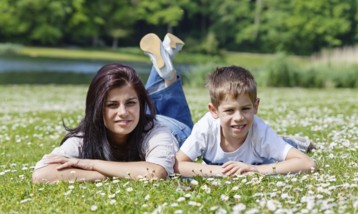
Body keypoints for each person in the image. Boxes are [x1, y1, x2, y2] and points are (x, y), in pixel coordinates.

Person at [32, 33, 193, 183]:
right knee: (135, 92)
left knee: (167, 112)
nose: (122, 112)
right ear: (97, 109)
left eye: (130, 103)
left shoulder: (158, 132)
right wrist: (106, 174)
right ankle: (167, 57)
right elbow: (41, 174)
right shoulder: (85, 138)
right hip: (138, 118)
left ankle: (168, 73)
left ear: (141, 104)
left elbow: (156, 173)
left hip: (173, 126)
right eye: (112, 105)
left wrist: (91, 164)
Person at [175, 65, 317, 177]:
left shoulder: (260, 132)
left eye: (245, 109)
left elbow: (308, 163)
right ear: (214, 111)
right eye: (229, 110)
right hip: (253, 150)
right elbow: (177, 165)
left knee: (282, 147)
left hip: (264, 150)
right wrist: (220, 172)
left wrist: (255, 169)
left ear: (255, 106)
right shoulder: (205, 128)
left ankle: (293, 143)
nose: (238, 117)